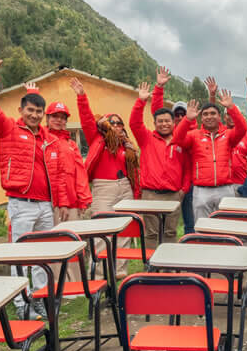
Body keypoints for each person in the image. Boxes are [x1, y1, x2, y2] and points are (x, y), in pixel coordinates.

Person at [0, 49, 64, 317]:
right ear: (21, 110)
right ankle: (20, 303)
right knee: (19, 256)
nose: (35, 115)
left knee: (42, 256)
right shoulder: (8, 129)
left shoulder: (48, 138)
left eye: (39, 111)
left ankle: (39, 298)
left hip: (45, 206)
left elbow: (58, 173)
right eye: (31, 110)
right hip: (22, 204)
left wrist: (58, 202)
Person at [71, 76, 140, 278]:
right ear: (106, 125)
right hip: (104, 187)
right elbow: (86, 119)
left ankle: (119, 271)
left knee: (124, 230)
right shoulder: (97, 139)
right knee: (102, 230)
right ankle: (100, 273)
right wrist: (81, 97)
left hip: (124, 186)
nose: (117, 125)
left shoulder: (127, 146)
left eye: (120, 123)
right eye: (113, 122)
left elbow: (135, 172)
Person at [129, 67, 188, 250]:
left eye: (167, 121)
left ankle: (169, 267)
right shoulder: (146, 138)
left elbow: (187, 168)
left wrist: (183, 191)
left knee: (170, 232)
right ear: (154, 124)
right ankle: (152, 267)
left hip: (173, 195)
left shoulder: (181, 141)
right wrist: (141, 101)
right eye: (160, 121)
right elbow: (134, 123)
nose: (164, 124)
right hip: (151, 194)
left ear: (173, 122)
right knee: (151, 233)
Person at [172, 88, 247, 219]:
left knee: (226, 228)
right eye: (205, 114)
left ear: (219, 117)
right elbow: (177, 139)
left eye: (213, 113)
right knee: (202, 229)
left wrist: (231, 107)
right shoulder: (194, 136)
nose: (209, 116)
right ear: (201, 118)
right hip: (201, 190)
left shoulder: (228, 135)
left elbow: (242, 128)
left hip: (225, 188)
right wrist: (187, 119)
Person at [44, 95, 92, 222]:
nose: (59, 120)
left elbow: (80, 174)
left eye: (63, 117)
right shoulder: (41, 140)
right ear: (47, 118)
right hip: (48, 203)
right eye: (55, 116)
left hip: (72, 203)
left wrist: (84, 199)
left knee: (74, 239)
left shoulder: (71, 144)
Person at [171, 100, 196, 235]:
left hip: (190, 185)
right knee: (169, 223)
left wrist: (185, 187)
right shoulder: (169, 133)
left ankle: (190, 248)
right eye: (177, 114)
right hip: (171, 186)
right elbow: (157, 113)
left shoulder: (195, 133)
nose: (180, 117)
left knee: (190, 222)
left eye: (183, 114)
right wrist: (159, 88)